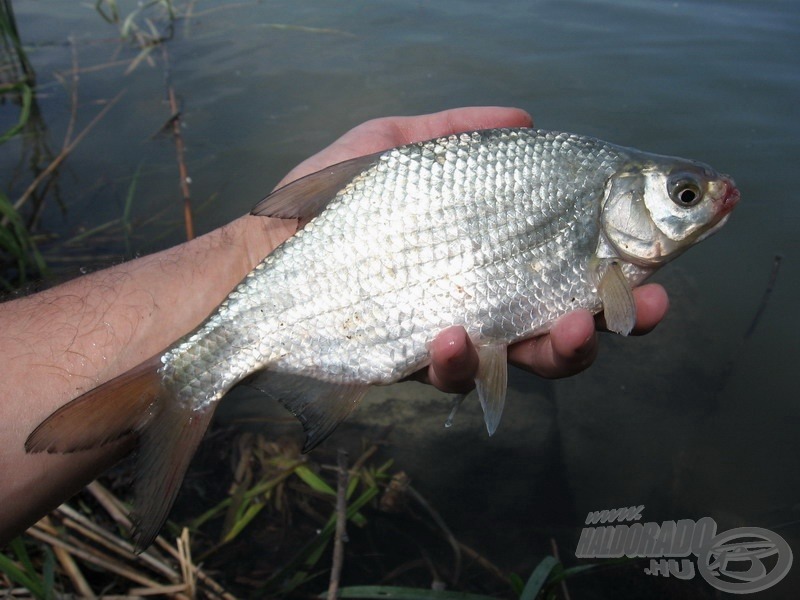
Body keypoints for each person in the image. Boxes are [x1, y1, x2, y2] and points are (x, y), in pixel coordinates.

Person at [0, 106, 668, 544]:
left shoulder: (582, 176)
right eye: (684, 196)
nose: (704, 204)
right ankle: (182, 387)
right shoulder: (586, 181)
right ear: (621, 199)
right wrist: (252, 245)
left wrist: (244, 250)